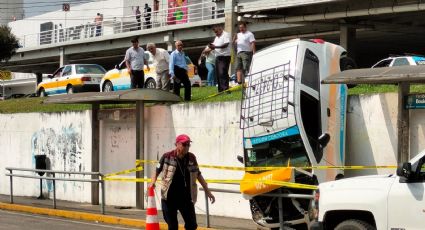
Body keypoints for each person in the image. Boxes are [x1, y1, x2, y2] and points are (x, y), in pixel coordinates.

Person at [151, 134, 215, 230]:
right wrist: (152, 182)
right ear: (177, 144)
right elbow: (157, 170)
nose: (187, 147)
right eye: (184, 144)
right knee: (172, 226)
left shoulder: (191, 158)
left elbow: (198, 174)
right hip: (169, 197)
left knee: (192, 225)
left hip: (185, 197)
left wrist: (208, 191)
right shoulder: (167, 156)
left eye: (189, 144)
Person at [209, 24, 231, 93]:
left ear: (220, 29)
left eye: (216, 32)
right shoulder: (216, 37)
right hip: (218, 56)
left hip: (225, 56)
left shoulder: (226, 34)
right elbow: (215, 45)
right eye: (215, 32)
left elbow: (226, 45)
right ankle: (220, 89)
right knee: (218, 73)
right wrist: (211, 46)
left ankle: (226, 89)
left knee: (223, 72)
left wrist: (215, 47)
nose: (216, 34)